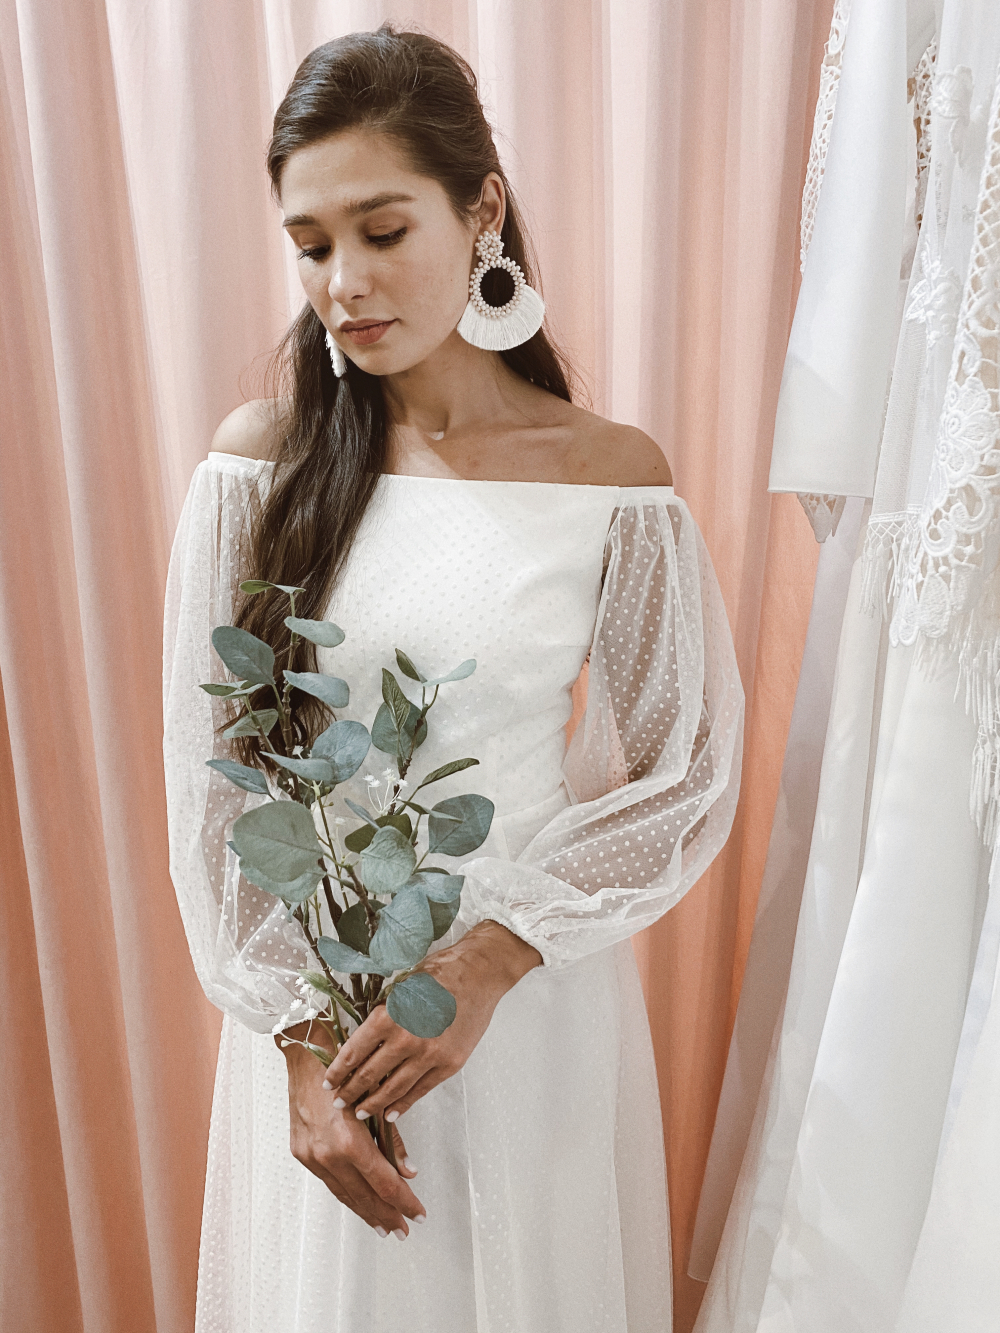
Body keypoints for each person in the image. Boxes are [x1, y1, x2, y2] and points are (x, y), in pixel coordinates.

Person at [162, 25, 743, 1333]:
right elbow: (221, 780)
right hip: (327, 1028)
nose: (344, 283)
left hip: (531, 1010)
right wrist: (302, 1043)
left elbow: (687, 769)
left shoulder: (609, 476)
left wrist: (487, 961)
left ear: (481, 211)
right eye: (311, 245)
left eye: (381, 230)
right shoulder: (261, 465)